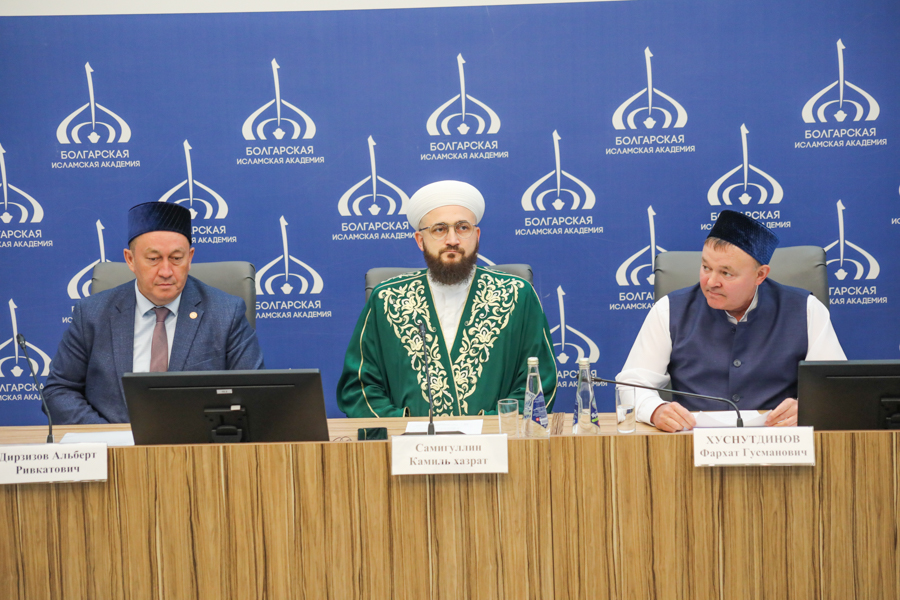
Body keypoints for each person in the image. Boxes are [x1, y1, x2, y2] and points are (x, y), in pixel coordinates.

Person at [337, 180, 557, 417]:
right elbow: (359, 387)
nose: (452, 239)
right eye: (439, 229)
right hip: (407, 439)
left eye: (462, 228)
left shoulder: (517, 294)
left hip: (497, 438)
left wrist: (491, 427)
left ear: (476, 235)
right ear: (420, 240)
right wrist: (404, 427)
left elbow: (538, 383)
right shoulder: (386, 298)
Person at [616, 210, 845, 432]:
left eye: (726, 273)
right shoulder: (669, 310)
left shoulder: (806, 309)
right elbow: (631, 384)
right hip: (692, 444)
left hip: (780, 443)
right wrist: (656, 410)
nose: (711, 282)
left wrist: (809, 408)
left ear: (760, 275)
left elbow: (835, 388)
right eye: (706, 267)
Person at [44, 202, 264, 424]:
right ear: (130, 260)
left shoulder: (226, 313)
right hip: (113, 441)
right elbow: (59, 390)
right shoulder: (92, 313)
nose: (166, 271)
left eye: (176, 258)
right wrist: (108, 436)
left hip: (197, 442)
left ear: (190, 258)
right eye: (153, 259)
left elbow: (253, 394)